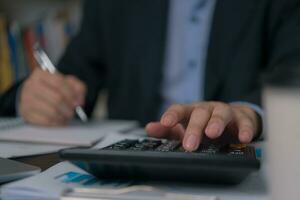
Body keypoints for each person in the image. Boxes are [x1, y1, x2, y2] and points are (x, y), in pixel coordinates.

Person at [1, 0, 300, 152]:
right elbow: (71, 78)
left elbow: (293, 73)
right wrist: (33, 97)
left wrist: (251, 113)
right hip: (135, 163)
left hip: (240, 155)